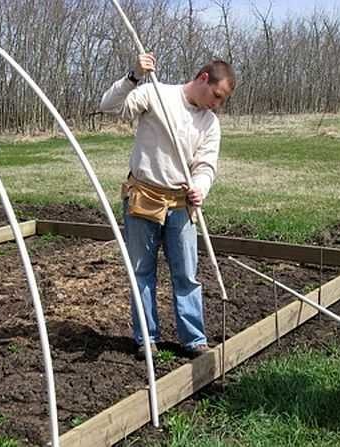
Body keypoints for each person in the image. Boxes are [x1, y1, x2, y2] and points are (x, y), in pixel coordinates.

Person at [99, 53, 236, 359]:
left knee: (186, 274)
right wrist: (134, 76)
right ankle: (146, 338)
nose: (216, 104)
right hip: (143, 198)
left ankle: (194, 339)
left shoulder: (209, 122)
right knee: (142, 271)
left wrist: (200, 188)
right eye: (216, 95)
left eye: (221, 100)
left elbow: (206, 165)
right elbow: (109, 106)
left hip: (180, 205)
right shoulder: (156, 94)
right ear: (203, 78)